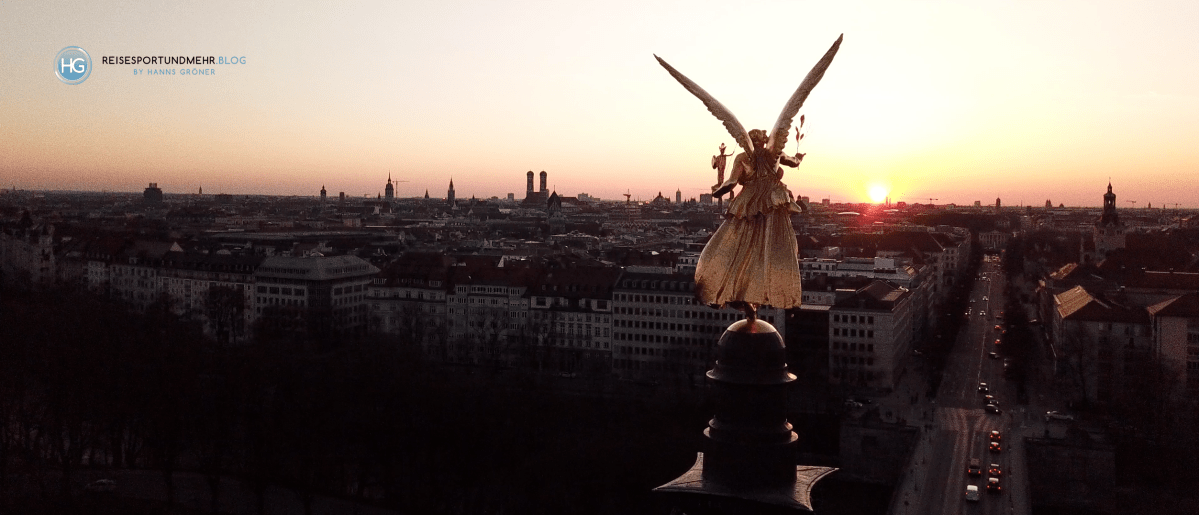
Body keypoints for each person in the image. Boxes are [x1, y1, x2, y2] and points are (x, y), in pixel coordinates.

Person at [696, 128, 804, 317]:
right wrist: (799, 157)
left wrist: (716, 192)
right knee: (776, 248)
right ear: (765, 141)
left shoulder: (743, 157)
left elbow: (731, 183)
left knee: (739, 249)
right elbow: (793, 162)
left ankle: (733, 293)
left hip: (748, 205)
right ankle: (782, 296)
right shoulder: (774, 153)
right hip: (771, 205)